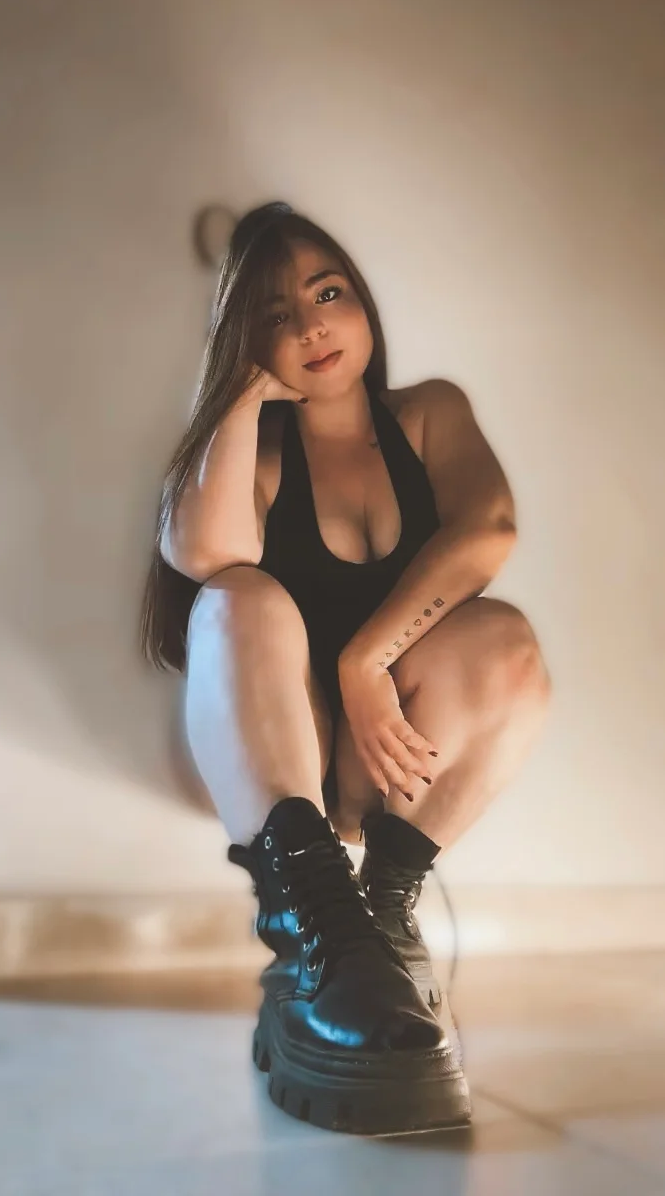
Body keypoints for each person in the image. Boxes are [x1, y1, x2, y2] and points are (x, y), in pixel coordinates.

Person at [140, 202, 552, 1135]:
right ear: (248, 342)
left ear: (364, 303)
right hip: (272, 776)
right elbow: (204, 556)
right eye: (275, 315)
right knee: (239, 599)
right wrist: (238, 393)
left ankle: (382, 915)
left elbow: (489, 530)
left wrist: (369, 662)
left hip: (387, 762)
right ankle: (312, 933)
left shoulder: (429, 414)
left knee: (506, 641)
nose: (311, 326)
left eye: (328, 294)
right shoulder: (256, 456)